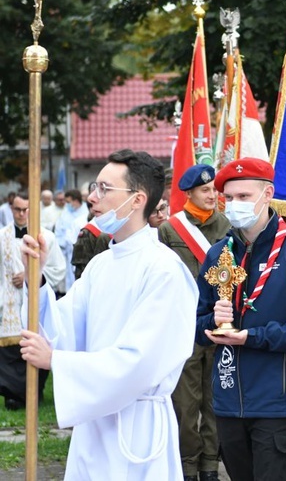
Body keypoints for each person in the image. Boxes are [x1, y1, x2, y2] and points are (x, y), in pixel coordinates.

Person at [19, 149, 199, 479]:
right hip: (95, 424)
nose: (92, 196)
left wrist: (58, 362)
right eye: (94, 187)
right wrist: (38, 277)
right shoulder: (103, 264)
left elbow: (139, 362)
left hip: (137, 428)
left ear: (136, 199)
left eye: (104, 188)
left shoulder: (164, 270)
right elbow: (65, 329)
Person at [195, 158, 286, 481]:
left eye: (243, 197)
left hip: (277, 404)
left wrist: (252, 336)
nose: (234, 205)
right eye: (228, 199)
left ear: (267, 193)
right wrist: (210, 326)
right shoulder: (218, 255)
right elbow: (197, 321)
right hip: (229, 403)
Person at [159, 164, 230, 481]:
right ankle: (187, 465)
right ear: (188, 193)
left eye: (214, 189)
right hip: (183, 325)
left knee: (215, 399)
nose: (212, 194)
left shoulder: (227, 227)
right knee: (186, 404)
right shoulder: (170, 230)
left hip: (218, 322)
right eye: (205, 190)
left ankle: (210, 466)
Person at [0, 192, 65, 410]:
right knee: (10, 353)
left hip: (36, 299)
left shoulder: (46, 237)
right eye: (17, 209)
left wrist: (33, 275)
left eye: (26, 210)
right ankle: (13, 395)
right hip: (8, 304)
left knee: (36, 344)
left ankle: (33, 391)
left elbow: (59, 269)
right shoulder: (2, 236)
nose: (21, 214)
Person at [54, 188, 89, 291]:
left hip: (82, 253)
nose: (67, 204)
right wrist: (64, 241)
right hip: (67, 252)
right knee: (69, 281)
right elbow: (59, 231)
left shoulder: (86, 213)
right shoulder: (65, 213)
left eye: (68, 202)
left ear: (76, 200)